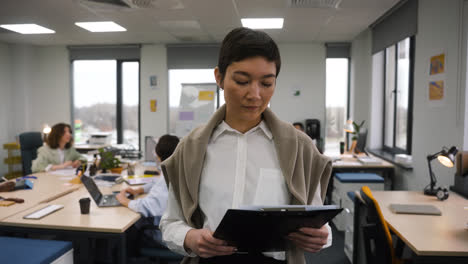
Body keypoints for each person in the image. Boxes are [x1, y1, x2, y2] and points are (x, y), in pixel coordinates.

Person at [159, 27, 333, 264]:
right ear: (219, 77)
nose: (255, 94)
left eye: (266, 83)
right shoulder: (190, 149)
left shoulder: (299, 148)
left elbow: (316, 218)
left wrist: (322, 236)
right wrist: (189, 237)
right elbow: (170, 223)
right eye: (242, 81)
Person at [116, 134, 179, 247]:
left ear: (158, 154)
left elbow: (145, 207)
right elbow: (157, 182)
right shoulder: (174, 169)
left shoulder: (166, 178)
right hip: (174, 226)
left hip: (163, 234)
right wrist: (139, 190)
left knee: (128, 225)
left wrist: (124, 200)